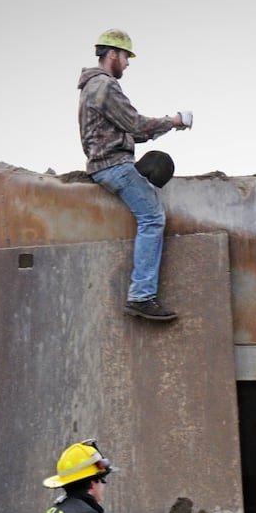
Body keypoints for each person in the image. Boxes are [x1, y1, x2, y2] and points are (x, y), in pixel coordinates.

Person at [77, 27, 191, 322]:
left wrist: (162, 129)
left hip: (107, 161)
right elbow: (137, 125)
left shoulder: (92, 87)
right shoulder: (105, 86)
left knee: (157, 163)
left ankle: (142, 294)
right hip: (112, 166)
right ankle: (141, 296)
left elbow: (129, 132)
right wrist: (174, 121)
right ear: (112, 54)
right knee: (153, 217)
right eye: (126, 56)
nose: (127, 63)